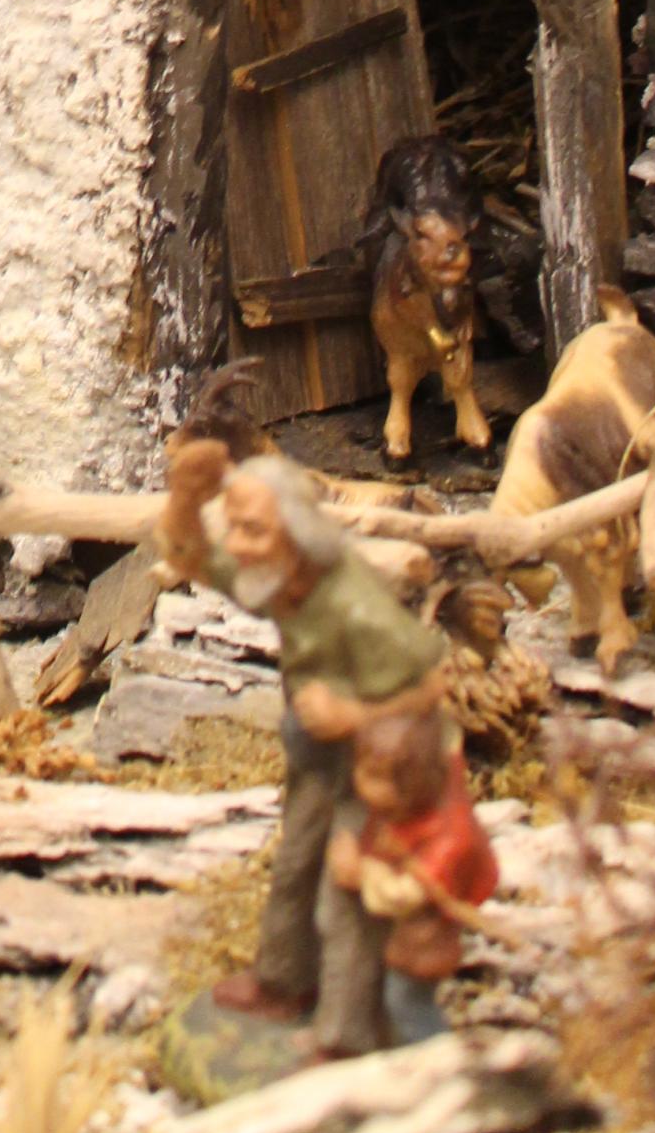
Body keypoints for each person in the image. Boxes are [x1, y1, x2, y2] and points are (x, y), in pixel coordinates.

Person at [158, 435, 449, 1060]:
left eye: (253, 530)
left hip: (376, 770)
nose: (239, 544)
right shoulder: (277, 574)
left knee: (346, 899)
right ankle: (284, 982)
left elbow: (432, 686)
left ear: (295, 533)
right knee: (294, 865)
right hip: (316, 757)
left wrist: (354, 714)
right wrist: (184, 498)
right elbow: (192, 559)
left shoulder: (357, 608)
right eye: (234, 526)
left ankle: (346, 1035)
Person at [332, 708, 500, 1044]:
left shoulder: (448, 839)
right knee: (396, 999)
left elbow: (405, 895)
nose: (359, 781)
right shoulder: (402, 812)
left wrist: (360, 873)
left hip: (424, 940)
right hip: (405, 937)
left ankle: (436, 1054)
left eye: (373, 775)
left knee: (407, 1002)